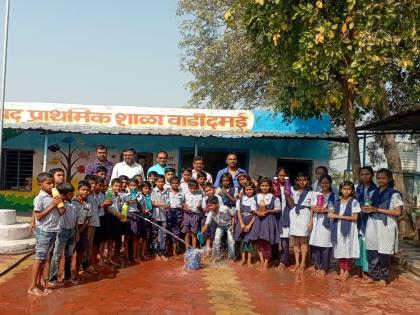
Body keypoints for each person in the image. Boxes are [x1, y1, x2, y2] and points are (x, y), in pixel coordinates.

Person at [363, 168, 403, 285]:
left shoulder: (394, 194)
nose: (380, 180)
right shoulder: (372, 192)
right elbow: (368, 207)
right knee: (372, 249)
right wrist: (365, 209)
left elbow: (397, 212)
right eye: (378, 178)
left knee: (384, 251)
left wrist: (377, 209)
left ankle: (384, 277)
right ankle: (373, 275)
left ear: (389, 179)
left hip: (386, 224)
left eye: (383, 178)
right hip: (372, 223)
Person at [28, 172, 63, 296]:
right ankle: (32, 287)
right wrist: (53, 205)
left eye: (53, 183)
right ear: (40, 184)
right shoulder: (40, 198)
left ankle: (38, 284)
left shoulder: (53, 196)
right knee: (39, 259)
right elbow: (38, 215)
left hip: (53, 230)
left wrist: (60, 207)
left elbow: (59, 213)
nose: (52, 185)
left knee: (44, 259)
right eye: (48, 183)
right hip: (44, 231)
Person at [328, 181, 360, 282]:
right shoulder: (337, 202)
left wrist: (337, 216)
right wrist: (331, 214)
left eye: (349, 189)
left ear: (352, 191)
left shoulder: (354, 202)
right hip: (338, 229)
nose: (346, 191)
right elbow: (332, 214)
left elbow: (355, 218)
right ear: (341, 189)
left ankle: (347, 272)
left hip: (350, 229)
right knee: (340, 249)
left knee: (348, 249)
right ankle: (341, 271)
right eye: (344, 189)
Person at [48, 183, 77, 286]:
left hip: (71, 231)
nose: (73, 195)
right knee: (57, 256)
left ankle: (67, 277)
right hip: (62, 231)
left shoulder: (72, 204)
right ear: (64, 194)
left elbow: (75, 220)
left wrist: (76, 231)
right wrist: (60, 201)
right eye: (70, 193)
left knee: (69, 256)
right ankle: (52, 278)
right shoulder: (59, 204)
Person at [250, 178, 281, 270]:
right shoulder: (256, 197)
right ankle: (262, 261)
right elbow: (252, 208)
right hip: (259, 220)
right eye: (262, 185)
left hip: (268, 220)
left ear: (270, 186)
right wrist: (257, 212)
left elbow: (278, 209)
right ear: (259, 186)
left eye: (266, 185)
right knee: (259, 242)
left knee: (267, 242)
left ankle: (267, 262)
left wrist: (267, 211)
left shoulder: (274, 197)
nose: (264, 187)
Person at [309, 174, 336, 277]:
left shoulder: (334, 195)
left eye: (327, 183)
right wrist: (311, 219)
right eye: (323, 183)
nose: (324, 185)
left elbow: (336, 209)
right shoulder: (315, 194)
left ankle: (324, 268)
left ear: (330, 184)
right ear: (319, 183)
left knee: (326, 244)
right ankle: (317, 265)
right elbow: (311, 207)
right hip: (316, 221)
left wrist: (326, 210)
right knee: (316, 243)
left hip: (327, 222)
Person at [355, 166, 377, 278]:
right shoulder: (356, 188)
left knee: (368, 243)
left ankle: (367, 269)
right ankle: (359, 266)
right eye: (362, 174)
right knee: (359, 243)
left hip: (370, 220)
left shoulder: (375, 189)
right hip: (358, 220)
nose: (365, 176)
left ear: (372, 175)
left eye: (367, 174)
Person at [289, 172, 312, 272]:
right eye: (299, 180)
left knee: (303, 241)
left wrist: (311, 221)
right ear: (296, 181)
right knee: (296, 242)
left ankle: (303, 264)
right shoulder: (294, 191)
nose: (302, 182)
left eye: (304, 180)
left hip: (305, 215)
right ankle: (297, 263)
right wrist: (287, 195)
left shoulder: (312, 193)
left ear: (307, 181)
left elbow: (312, 208)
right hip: (295, 215)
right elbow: (291, 205)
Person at [202, 196, 236, 262]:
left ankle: (231, 257)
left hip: (229, 225)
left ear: (217, 204)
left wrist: (233, 225)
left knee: (231, 241)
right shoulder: (210, 213)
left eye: (211, 205)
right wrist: (201, 233)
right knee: (216, 240)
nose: (210, 207)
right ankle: (216, 256)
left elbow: (232, 215)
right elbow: (206, 224)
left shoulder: (224, 208)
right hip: (220, 226)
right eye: (208, 206)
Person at [72, 180, 92, 281]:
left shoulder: (88, 205)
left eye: (88, 190)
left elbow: (88, 220)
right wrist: (75, 231)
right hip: (72, 228)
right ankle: (68, 272)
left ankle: (77, 270)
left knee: (81, 251)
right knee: (69, 252)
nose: (85, 192)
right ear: (78, 190)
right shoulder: (72, 202)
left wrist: (80, 231)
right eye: (83, 189)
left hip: (82, 229)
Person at [234, 182, 257, 267]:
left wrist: (250, 225)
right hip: (241, 223)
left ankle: (249, 260)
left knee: (250, 242)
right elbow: (238, 212)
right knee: (243, 242)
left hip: (251, 223)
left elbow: (255, 214)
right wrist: (242, 224)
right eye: (247, 189)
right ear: (244, 190)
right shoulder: (240, 200)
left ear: (254, 189)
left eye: (250, 189)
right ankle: (243, 259)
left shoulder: (256, 199)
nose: (249, 191)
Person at [276, 167, 294, 270]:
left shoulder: (291, 188)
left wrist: (288, 195)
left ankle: (284, 260)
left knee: (284, 239)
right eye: (280, 175)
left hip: (286, 215)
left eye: (284, 175)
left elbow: (292, 205)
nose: (282, 177)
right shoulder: (274, 187)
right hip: (275, 215)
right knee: (275, 239)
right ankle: (275, 258)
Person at [102, 178, 123, 265]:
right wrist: (116, 214)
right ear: (111, 186)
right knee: (106, 239)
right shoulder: (109, 194)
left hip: (116, 218)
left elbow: (117, 207)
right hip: (109, 218)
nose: (118, 188)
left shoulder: (118, 195)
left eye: (119, 186)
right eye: (116, 186)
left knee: (112, 239)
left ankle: (109, 258)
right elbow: (108, 207)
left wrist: (120, 214)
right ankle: (103, 259)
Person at [122, 178, 143, 263]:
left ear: (137, 186)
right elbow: (122, 207)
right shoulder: (125, 196)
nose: (133, 187)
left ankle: (135, 255)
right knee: (127, 237)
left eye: (135, 185)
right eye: (131, 185)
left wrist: (138, 203)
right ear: (128, 186)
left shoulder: (140, 196)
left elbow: (141, 209)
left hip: (136, 216)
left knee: (135, 236)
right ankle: (126, 255)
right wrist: (127, 203)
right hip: (127, 216)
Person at [151, 175, 170, 261]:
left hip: (163, 216)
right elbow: (153, 203)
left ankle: (162, 252)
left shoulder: (166, 191)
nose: (161, 183)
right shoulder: (153, 191)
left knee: (163, 235)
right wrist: (163, 204)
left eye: (162, 181)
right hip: (155, 216)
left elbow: (168, 202)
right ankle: (155, 252)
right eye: (159, 181)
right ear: (155, 182)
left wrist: (168, 205)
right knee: (154, 234)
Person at [202, 183, 223, 256]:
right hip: (207, 217)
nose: (208, 192)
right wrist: (207, 209)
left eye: (209, 190)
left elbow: (220, 207)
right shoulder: (204, 198)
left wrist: (212, 208)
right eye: (206, 191)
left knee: (213, 235)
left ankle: (215, 252)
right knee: (207, 235)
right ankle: (208, 251)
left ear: (213, 189)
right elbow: (204, 209)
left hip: (215, 219)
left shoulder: (218, 197)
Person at [182, 180, 203, 249]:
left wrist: (199, 207)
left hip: (195, 215)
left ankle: (193, 249)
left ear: (197, 188)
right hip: (187, 214)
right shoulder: (186, 195)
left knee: (194, 233)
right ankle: (187, 249)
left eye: (195, 188)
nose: (193, 190)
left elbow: (201, 207)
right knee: (187, 233)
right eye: (191, 188)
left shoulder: (200, 195)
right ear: (188, 187)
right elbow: (183, 204)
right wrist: (185, 207)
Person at [85, 175, 100, 268]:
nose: (94, 185)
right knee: (86, 245)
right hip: (88, 224)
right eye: (92, 183)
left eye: (95, 183)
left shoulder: (93, 196)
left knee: (89, 245)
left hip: (93, 223)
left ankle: (88, 264)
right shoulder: (86, 196)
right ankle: (85, 266)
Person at [167, 176, 184, 257]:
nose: (175, 185)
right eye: (173, 183)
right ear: (170, 184)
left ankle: (174, 251)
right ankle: (167, 250)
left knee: (176, 233)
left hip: (178, 213)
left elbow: (183, 205)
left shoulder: (181, 193)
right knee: (167, 231)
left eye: (176, 183)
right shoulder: (167, 193)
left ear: (179, 184)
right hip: (169, 213)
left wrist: (183, 218)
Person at [139, 181, 153, 260]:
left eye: (148, 188)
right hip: (141, 218)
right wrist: (143, 210)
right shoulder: (139, 197)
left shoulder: (150, 196)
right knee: (139, 237)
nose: (147, 190)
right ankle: (138, 253)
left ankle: (143, 252)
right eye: (145, 188)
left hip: (148, 218)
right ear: (141, 189)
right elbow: (138, 206)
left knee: (146, 236)